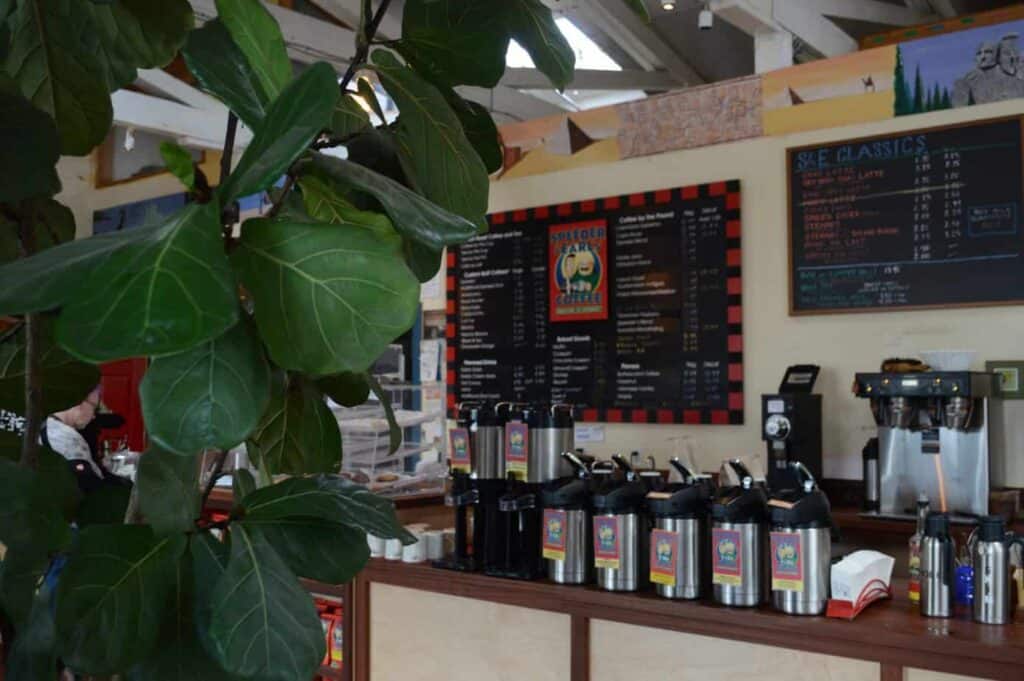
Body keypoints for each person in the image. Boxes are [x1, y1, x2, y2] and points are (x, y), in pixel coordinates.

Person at [41, 386, 130, 493]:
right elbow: (89, 482)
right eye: (94, 408)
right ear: (80, 403)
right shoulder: (66, 439)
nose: (93, 416)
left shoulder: (49, 425)